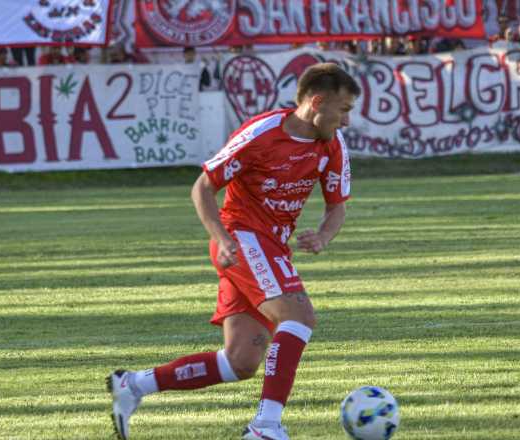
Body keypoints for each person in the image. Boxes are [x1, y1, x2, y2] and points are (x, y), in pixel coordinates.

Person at [106, 62, 361, 440]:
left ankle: (134, 385)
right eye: (344, 110)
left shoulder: (332, 144)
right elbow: (202, 187)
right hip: (242, 240)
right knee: (299, 316)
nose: (346, 121)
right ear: (317, 101)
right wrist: (223, 238)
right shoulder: (261, 134)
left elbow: (336, 206)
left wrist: (323, 236)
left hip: (272, 248)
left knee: (240, 362)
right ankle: (266, 426)